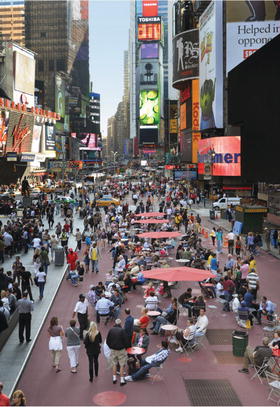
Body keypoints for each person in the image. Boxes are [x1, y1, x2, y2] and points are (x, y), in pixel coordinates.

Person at [106, 318, 130, 386]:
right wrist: (126, 348)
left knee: (114, 364)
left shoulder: (111, 330)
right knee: (122, 365)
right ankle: (122, 380)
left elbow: (107, 340)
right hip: (121, 350)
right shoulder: (122, 330)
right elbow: (126, 341)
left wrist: (111, 347)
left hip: (113, 350)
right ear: (120, 323)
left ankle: (114, 378)